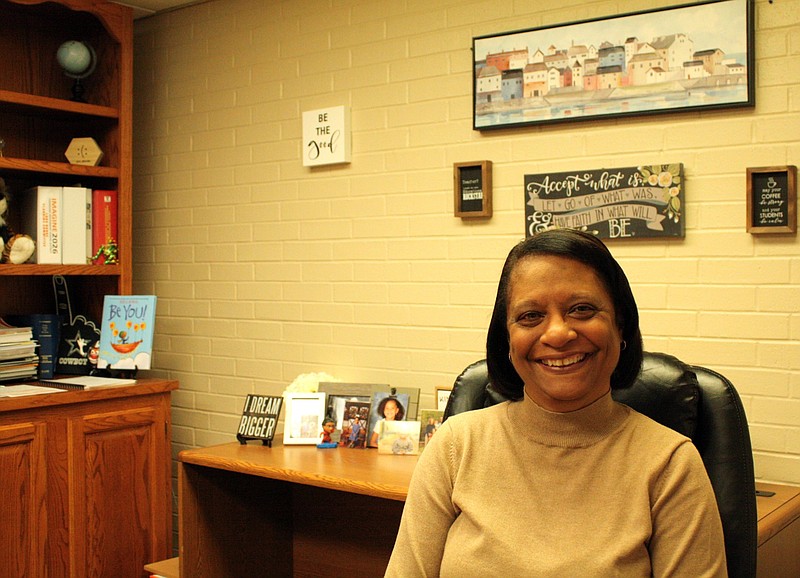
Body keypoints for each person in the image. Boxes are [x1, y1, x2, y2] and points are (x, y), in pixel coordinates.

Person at [386, 228, 726, 577]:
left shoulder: (670, 465)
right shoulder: (455, 446)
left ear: (620, 325)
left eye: (582, 309)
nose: (558, 334)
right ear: (507, 337)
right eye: (531, 316)